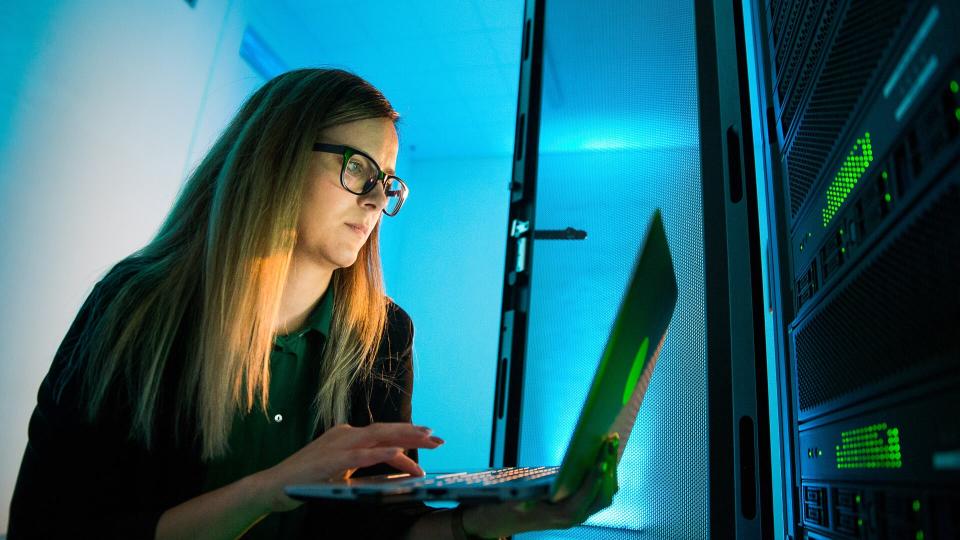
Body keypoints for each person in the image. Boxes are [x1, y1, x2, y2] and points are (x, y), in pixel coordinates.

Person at [8, 68, 618, 539]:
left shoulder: (386, 336)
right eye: (359, 169)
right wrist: (268, 490)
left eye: (389, 181)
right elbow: (50, 525)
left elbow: (377, 534)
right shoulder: (136, 307)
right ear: (272, 156)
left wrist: (484, 523)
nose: (378, 199)